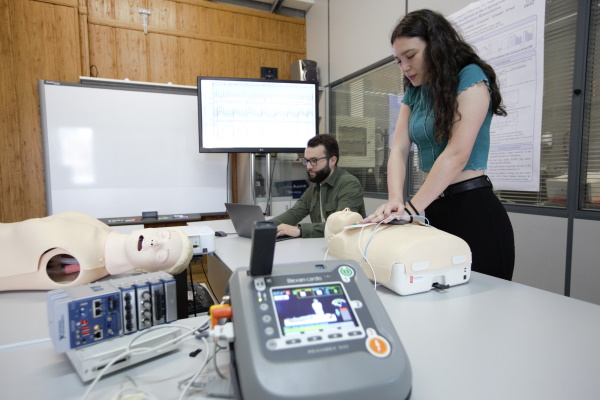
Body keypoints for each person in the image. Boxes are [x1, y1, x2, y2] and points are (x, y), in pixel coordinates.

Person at [361, 9, 515, 280]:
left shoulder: (470, 77)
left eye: (410, 56)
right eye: (398, 61)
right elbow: (398, 149)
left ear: (436, 46)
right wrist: (396, 200)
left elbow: (456, 154)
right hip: (434, 208)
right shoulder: (415, 92)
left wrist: (410, 210)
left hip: (473, 208)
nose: (405, 67)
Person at [0, 211, 193, 291]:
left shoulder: (85, 266)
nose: (154, 242)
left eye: (161, 255)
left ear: (151, 272)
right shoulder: (97, 226)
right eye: (163, 235)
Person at [270, 134, 366, 238]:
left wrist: (300, 230)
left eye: (314, 160)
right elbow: (294, 213)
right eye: (306, 161)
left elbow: (340, 225)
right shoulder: (315, 186)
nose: (308, 166)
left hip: (344, 249)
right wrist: (264, 226)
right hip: (320, 245)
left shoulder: (349, 184)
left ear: (332, 161)